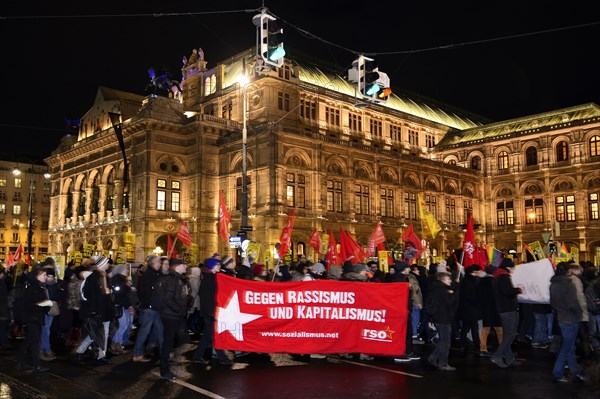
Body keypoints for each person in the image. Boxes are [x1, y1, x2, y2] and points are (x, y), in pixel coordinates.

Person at [550, 263, 589, 382]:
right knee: (566, 347)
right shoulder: (569, 283)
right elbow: (573, 303)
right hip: (571, 318)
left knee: (570, 346)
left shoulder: (553, 284)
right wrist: (579, 314)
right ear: (568, 271)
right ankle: (557, 372)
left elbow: (553, 303)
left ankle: (574, 369)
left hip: (561, 317)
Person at [192, 258, 233, 366]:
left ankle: (197, 356)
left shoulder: (213, 277)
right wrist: (212, 312)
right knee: (214, 336)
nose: (219, 266)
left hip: (210, 311)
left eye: (219, 264)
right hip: (209, 312)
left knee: (207, 336)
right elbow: (207, 298)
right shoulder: (208, 279)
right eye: (217, 264)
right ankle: (223, 358)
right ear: (212, 266)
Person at [74, 256, 112, 364]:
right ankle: (81, 352)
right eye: (107, 263)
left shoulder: (104, 277)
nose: (109, 265)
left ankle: (101, 355)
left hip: (104, 310)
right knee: (94, 334)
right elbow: (89, 295)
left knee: (103, 334)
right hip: (97, 312)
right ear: (102, 264)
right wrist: (94, 311)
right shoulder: (93, 278)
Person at [158, 258, 191, 380]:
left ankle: (166, 366)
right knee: (168, 342)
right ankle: (164, 371)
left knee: (176, 340)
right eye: (184, 265)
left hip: (174, 315)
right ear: (177, 267)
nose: (186, 267)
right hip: (170, 315)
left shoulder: (178, 279)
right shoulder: (173, 280)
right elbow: (168, 298)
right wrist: (178, 309)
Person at [16, 267, 51, 372]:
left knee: (29, 340)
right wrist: (45, 304)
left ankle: (20, 362)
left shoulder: (39, 287)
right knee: (35, 342)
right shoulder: (33, 288)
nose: (45, 277)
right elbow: (30, 305)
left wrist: (46, 305)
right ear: (37, 276)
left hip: (36, 318)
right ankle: (37, 365)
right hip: (33, 318)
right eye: (43, 275)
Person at [490, 258, 522, 368]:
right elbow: (507, 291)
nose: (513, 270)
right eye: (512, 268)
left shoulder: (498, 275)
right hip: (507, 309)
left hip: (503, 309)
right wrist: (518, 290)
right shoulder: (503, 276)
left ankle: (509, 358)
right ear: (508, 267)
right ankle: (497, 356)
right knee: (511, 334)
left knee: (508, 334)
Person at [426, 272, 459, 371]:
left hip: (437, 317)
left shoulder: (436, 288)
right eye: (449, 279)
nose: (450, 281)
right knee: (446, 342)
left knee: (443, 340)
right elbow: (449, 303)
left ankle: (433, 357)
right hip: (443, 318)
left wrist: (454, 287)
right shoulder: (442, 290)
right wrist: (454, 295)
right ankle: (443, 363)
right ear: (443, 280)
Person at [132, 255, 164, 362]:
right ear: (154, 263)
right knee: (144, 331)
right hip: (150, 308)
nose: (161, 264)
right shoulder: (148, 275)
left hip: (155, 307)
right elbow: (145, 292)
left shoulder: (155, 274)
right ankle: (137, 354)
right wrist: (150, 304)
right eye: (159, 262)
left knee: (160, 330)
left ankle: (165, 352)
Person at [110, 264, 133, 354]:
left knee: (125, 325)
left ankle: (118, 344)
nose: (127, 271)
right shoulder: (117, 279)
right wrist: (127, 286)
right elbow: (120, 293)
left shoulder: (123, 279)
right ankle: (115, 343)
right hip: (120, 305)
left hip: (125, 305)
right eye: (125, 269)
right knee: (123, 325)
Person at [0, 266, 12, 349]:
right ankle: (4, 343)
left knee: (2, 327)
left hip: (2, 308)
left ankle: (4, 342)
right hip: (2, 309)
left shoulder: (3, 282)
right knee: (2, 327)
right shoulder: (2, 283)